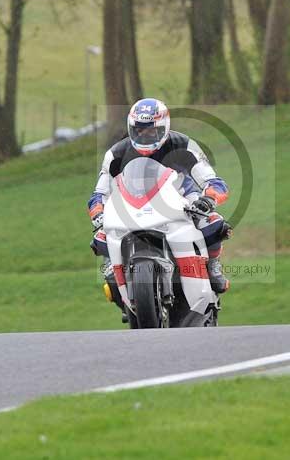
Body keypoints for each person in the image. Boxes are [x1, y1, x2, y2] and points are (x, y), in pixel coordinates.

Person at [87, 98, 231, 318]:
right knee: (101, 234)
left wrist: (208, 199)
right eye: (139, 131)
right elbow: (100, 192)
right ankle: (111, 265)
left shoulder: (184, 145)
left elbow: (214, 181)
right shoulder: (116, 153)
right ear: (130, 129)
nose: (145, 136)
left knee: (213, 222)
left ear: (165, 127)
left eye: (151, 131)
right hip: (132, 202)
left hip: (182, 197)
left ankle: (212, 264)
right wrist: (98, 213)